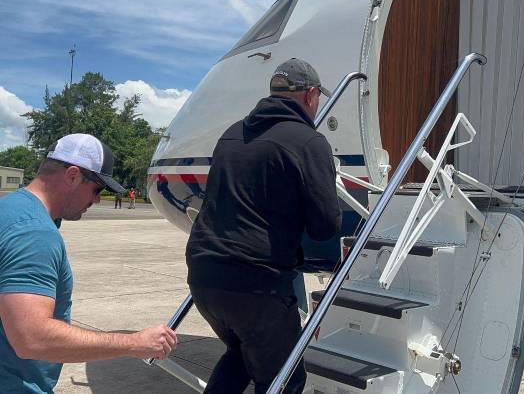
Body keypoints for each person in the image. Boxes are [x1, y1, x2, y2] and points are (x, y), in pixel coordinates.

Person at [186, 58, 342, 394]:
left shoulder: (232, 134)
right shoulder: (309, 142)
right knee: (284, 379)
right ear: (310, 95)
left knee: (242, 355)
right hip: (257, 283)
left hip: (204, 275)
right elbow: (325, 225)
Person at [0, 133, 177, 394]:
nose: (96, 200)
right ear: (72, 176)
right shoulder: (35, 234)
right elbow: (31, 337)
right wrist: (133, 343)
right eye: (97, 189)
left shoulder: (10, 208)